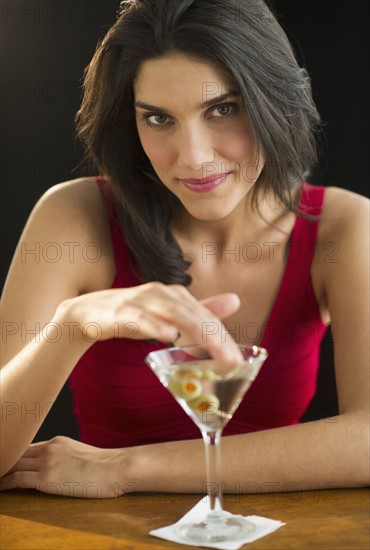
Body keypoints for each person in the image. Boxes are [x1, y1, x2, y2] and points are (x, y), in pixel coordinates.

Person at [1, 0, 368, 498]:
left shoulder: (343, 227)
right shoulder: (74, 216)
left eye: (223, 109)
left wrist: (125, 469)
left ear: (274, 101)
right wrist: (71, 327)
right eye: (158, 118)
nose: (192, 158)